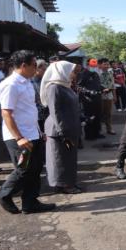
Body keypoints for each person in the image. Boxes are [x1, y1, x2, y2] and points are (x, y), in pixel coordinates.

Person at [0, 50, 56, 214]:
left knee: (35, 169)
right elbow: (6, 113)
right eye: (34, 65)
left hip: (32, 133)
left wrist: (39, 131)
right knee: (24, 169)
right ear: (24, 65)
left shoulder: (26, 82)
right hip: (18, 137)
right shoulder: (10, 84)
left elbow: (29, 111)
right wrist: (19, 137)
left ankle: (30, 202)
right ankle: (3, 193)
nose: (37, 68)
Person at [40, 61, 82, 194]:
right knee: (60, 159)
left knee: (68, 158)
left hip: (69, 128)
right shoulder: (54, 87)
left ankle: (68, 183)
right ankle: (63, 185)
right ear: (62, 71)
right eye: (72, 71)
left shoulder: (65, 86)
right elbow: (55, 111)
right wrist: (62, 131)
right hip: (59, 130)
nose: (74, 74)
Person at [78, 58, 104, 140]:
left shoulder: (95, 74)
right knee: (89, 117)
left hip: (97, 99)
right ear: (88, 65)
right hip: (88, 100)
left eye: (95, 66)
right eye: (92, 66)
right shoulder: (83, 74)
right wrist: (89, 92)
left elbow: (98, 85)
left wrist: (103, 88)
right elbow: (79, 86)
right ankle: (89, 135)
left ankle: (97, 133)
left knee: (97, 116)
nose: (94, 67)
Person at [98, 58, 116, 135]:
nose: (107, 66)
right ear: (99, 65)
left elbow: (113, 84)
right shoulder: (96, 73)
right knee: (99, 113)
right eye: (105, 64)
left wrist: (115, 96)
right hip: (99, 96)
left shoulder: (110, 72)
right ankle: (98, 129)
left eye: (108, 64)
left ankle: (109, 128)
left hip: (109, 96)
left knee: (108, 113)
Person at [32, 59, 49, 131]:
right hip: (36, 115)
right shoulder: (30, 81)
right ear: (37, 69)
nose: (45, 72)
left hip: (45, 114)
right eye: (44, 69)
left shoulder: (44, 80)